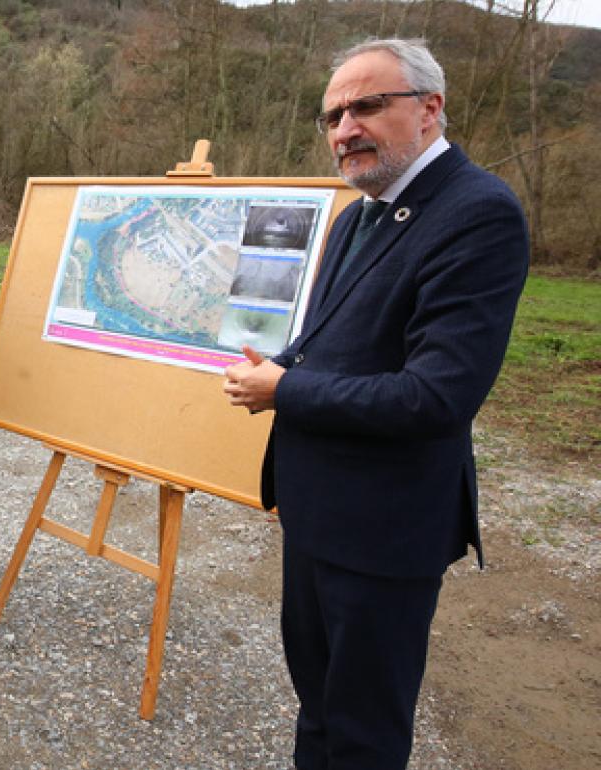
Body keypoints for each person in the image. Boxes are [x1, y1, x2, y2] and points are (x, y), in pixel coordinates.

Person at [223, 39, 528, 769]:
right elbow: (327, 340)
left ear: (430, 108)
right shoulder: (356, 217)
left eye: (366, 106)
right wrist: (280, 366)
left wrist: (287, 389)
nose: (343, 129)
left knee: (363, 729)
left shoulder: (478, 212)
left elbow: (436, 396)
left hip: (386, 529)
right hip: (316, 512)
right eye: (333, 115)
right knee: (318, 704)